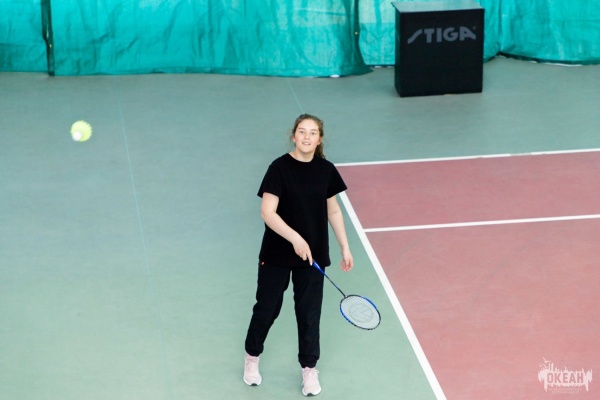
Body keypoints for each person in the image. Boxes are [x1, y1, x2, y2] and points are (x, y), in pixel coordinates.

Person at [243, 114, 354, 396]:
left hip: (312, 257)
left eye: (313, 132)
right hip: (277, 253)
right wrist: (295, 238)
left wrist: (344, 246)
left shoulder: (326, 170)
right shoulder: (278, 168)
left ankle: (309, 369)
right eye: (302, 131)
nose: (307, 137)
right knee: (267, 308)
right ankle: (252, 357)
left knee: (309, 314)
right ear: (293, 136)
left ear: (319, 139)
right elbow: (267, 212)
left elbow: (333, 210)